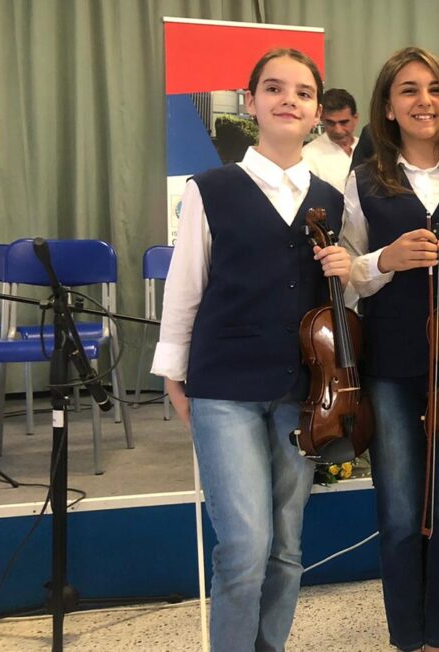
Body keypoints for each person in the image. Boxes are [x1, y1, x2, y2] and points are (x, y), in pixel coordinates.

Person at [152, 48, 351, 650]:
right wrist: (173, 374)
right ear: (250, 102)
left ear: (316, 111)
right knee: (244, 546)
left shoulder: (330, 198)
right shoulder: (211, 189)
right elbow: (185, 286)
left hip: (301, 392)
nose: (289, 99)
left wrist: (345, 272)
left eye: (303, 92)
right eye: (274, 88)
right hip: (225, 388)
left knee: (286, 546)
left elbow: (333, 302)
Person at [339, 46, 439, 652]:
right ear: (388, 106)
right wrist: (385, 260)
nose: (424, 101)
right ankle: (407, 640)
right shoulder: (363, 181)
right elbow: (346, 273)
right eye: (408, 90)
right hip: (391, 365)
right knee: (401, 513)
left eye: (434, 89)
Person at [302, 88, 359, 191]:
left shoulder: (369, 148)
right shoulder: (308, 156)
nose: (338, 130)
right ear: (322, 119)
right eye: (330, 123)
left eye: (344, 122)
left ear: (355, 118)